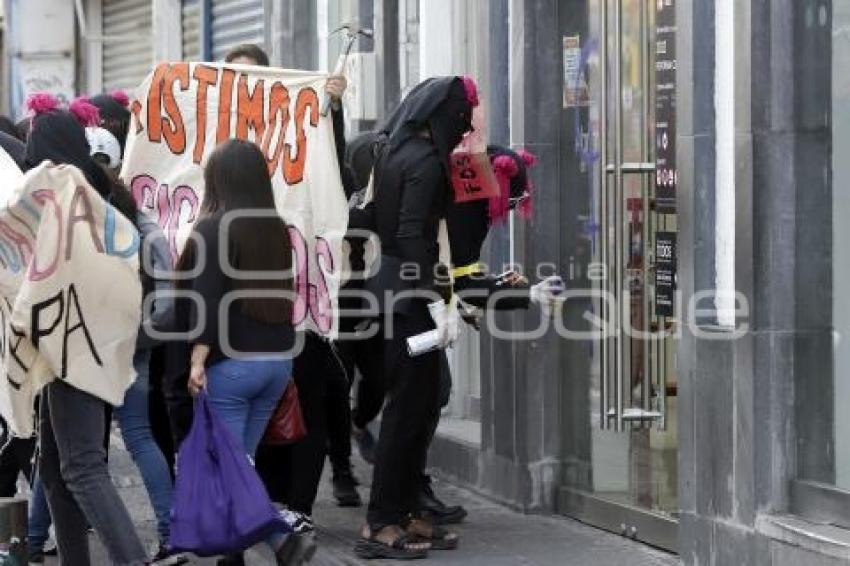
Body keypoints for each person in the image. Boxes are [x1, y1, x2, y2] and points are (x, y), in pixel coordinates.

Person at [24, 93, 148, 566]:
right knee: (56, 469)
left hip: (74, 346)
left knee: (81, 468)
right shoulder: (103, 194)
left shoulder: (66, 201)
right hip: (93, 343)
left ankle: (132, 560)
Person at [176, 139, 312, 566]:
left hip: (232, 366)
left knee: (228, 470)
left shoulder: (213, 227)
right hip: (276, 362)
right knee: (241, 465)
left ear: (217, 180)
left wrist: (197, 359)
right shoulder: (274, 227)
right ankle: (231, 557)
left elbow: (208, 299)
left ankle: (279, 538)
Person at [85, 124, 186, 564]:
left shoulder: (79, 220)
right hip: (133, 345)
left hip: (86, 347)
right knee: (139, 435)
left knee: (68, 449)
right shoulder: (142, 222)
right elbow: (166, 290)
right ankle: (171, 531)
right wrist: (143, 333)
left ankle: (34, 537)